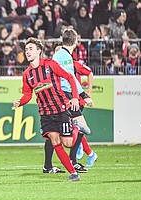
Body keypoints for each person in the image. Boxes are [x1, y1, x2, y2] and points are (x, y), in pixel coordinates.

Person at [13, 37, 82, 182]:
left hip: (60, 109)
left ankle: (77, 128)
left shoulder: (50, 64)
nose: (27, 52)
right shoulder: (27, 74)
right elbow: (27, 94)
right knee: (54, 141)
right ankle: (73, 173)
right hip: (45, 113)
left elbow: (69, 77)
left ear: (39, 51)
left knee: (68, 143)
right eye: (26, 49)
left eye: (30, 49)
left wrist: (75, 97)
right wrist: (20, 102)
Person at [52, 29, 94, 173]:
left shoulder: (61, 55)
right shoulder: (64, 56)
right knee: (81, 127)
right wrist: (83, 96)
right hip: (65, 95)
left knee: (55, 132)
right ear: (75, 41)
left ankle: (70, 160)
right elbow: (70, 78)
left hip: (64, 94)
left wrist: (82, 95)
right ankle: (71, 160)